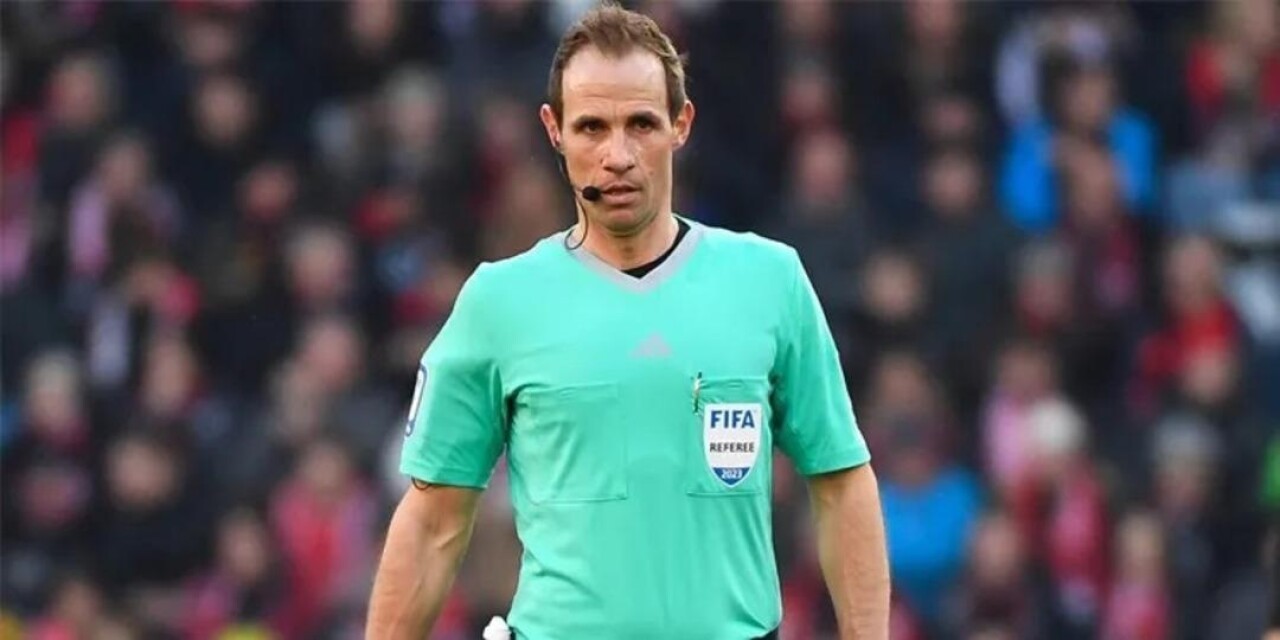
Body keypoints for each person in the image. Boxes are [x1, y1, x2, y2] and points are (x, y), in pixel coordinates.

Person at [366, 4, 890, 639]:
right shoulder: (499, 301)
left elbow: (841, 481)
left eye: (641, 124)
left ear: (681, 124)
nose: (617, 154)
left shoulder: (769, 281)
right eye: (592, 127)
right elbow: (432, 522)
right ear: (554, 130)